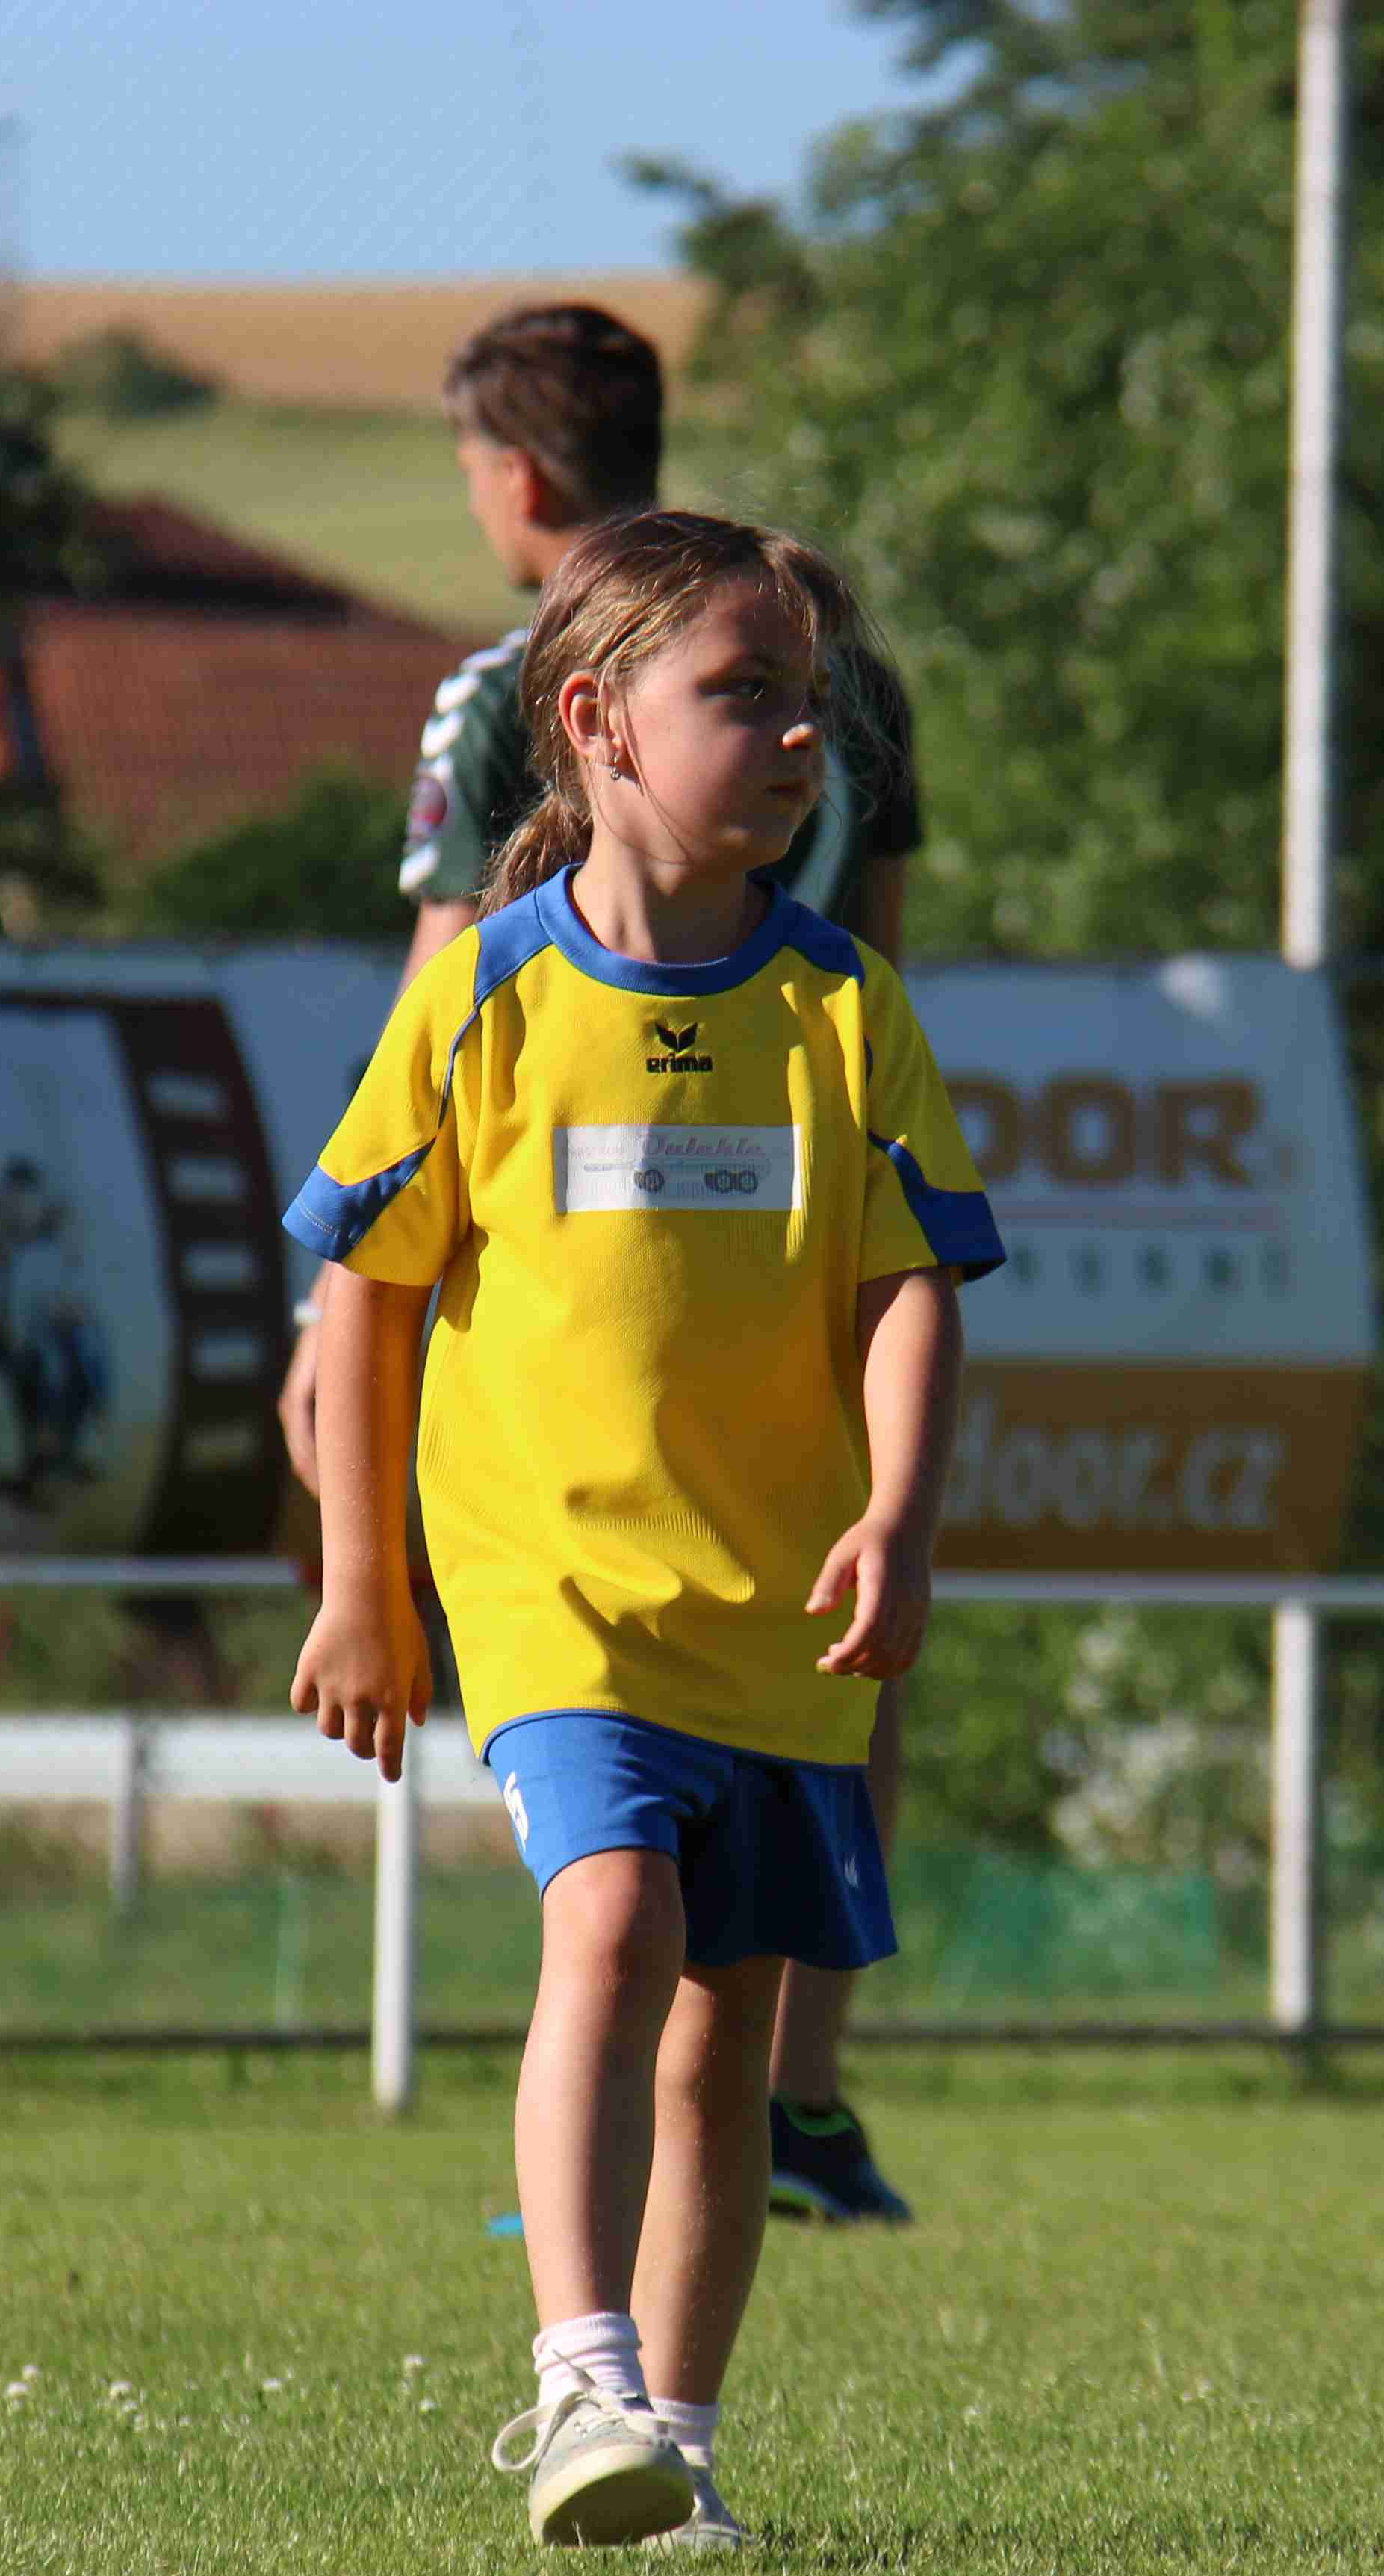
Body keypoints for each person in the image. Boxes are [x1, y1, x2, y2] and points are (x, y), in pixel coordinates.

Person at [284, 512, 999, 2549]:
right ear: (597, 723)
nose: (798, 739)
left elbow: (911, 1286)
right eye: (743, 697)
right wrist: (364, 1586)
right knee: (612, 1920)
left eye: (811, 703)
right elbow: (368, 1291)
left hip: (773, 1610)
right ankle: (579, 2376)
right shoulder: (488, 995)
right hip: (557, 1595)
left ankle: (674, 2454)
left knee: (726, 2048)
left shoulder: (844, 1007)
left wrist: (901, 1513)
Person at [278, 299, 934, 2226]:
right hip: (692, 1367)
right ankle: (782, 2114)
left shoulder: (512, 684)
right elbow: (893, 936)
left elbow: (438, 971)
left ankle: (717, 2123)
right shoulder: (851, 670)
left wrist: (347, 1293)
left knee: (815, 1630)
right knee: (663, 1840)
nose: (791, 733)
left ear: (517, 472)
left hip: (725, 1300)